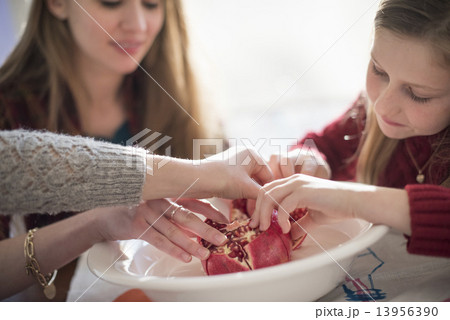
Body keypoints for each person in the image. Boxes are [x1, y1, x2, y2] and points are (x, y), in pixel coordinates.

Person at [251, 0, 450, 259]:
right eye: (379, 71)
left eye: (418, 94)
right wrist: (310, 160)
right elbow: (325, 146)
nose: (382, 106)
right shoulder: (366, 112)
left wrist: (354, 200)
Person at [0, 129, 273, 300]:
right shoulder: (8, 102)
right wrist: (196, 173)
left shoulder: (183, 97)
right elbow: (9, 165)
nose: (137, 31)